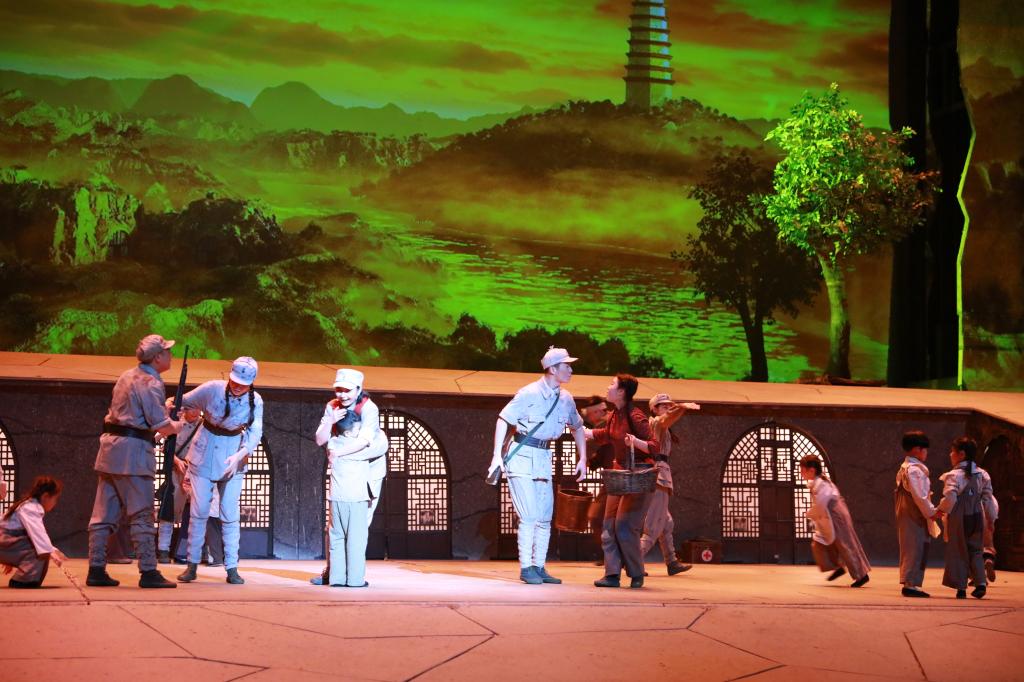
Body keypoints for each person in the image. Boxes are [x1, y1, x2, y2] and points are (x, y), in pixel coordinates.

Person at [86, 334, 183, 589]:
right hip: (134, 454)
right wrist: (178, 425)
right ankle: (148, 570)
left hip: (110, 451)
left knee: (103, 514)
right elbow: (161, 425)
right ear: (157, 357)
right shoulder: (151, 382)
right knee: (142, 514)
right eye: (167, 351)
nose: (170, 355)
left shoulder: (126, 376)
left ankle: (96, 568)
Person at [489, 347, 587, 585]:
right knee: (529, 515)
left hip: (543, 457)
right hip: (522, 455)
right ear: (553, 369)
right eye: (566, 366)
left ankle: (539, 566)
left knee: (544, 516)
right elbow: (504, 419)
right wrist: (495, 456)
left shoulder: (566, 398)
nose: (571, 370)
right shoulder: (528, 393)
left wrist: (583, 458)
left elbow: (577, 427)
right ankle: (526, 567)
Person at [176, 357, 263, 585]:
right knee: (199, 512)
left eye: (243, 384)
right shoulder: (212, 388)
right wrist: (172, 405)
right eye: (235, 381)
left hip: (234, 454)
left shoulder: (256, 401)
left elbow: (255, 432)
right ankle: (192, 565)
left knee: (229, 513)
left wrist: (241, 454)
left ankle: (232, 567)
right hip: (205, 451)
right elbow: (183, 401)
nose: (237, 386)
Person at [313, 369, 389, 587]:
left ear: (358, 389)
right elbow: (319, 439)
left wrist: (338, 452)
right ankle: (334, 572)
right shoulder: (332, 406)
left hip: (369, 465)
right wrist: (330, 421)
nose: (342, 394)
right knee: (335, 525)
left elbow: (364, 441)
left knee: (359, 524)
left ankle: (354, 575)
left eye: (347, 390)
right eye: (339, 389)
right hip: (345, 466)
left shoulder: (369, 408)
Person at [587, 374, 659, 589]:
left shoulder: (635, 416)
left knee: (624, 525)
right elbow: (607, 435)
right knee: (608, 525)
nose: (608, 387)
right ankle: (612, 574)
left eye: (612, 384)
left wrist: (635, 441)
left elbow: (654, 446)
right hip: (619, 476)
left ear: (621, 392)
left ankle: (636, 572)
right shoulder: (614, 416)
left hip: (638, 475)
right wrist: (585, 432)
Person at [640, 393, 699, 576]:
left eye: (668, 405)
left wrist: (680, 409)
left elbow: (668, 419)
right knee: (653, 526)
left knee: (666, 523)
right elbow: (666, 419)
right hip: (659, 477)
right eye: (663, 405)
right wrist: (681, 407)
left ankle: (671, 561)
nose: (667, 407)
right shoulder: (656, 423)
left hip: (659, 475)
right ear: (654, 409)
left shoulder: (661, 426)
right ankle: (632, 559)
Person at [938, 437, 998, 599]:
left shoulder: (954, 475)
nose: (950, 455)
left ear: (961, 454)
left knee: (959, 550)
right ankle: (981, 583)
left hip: (960, 517)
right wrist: (991, 519)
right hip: (977, 516)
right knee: (976, 551)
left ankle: (961, 587)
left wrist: (940, 510)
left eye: (952, 452)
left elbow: (950, 497)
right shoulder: (982, 474)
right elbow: (988, 499)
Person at [799, 454, 871, 588]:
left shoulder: (822, 484)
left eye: (803, 470)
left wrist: (810, 514)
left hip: (836, 515)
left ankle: (861, 575)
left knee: (846, 544)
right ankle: (837, 566)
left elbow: (821, 504)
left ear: (812, 470)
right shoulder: (817, 483)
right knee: (819, 544)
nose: (801, 473)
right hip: (828, 515)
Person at [894, 430, 941, 598]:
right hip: (915, 514)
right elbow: (920, 497)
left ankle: (911, 582)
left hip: (907, 512)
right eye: (924, 449)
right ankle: (911, 584)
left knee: (911, 546)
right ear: (916, 449)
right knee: (916, 547)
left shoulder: (905, 468)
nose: (926, 452)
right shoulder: (914, 470)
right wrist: (931, 512)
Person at [0, 476, 67, 588]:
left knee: (42, 549)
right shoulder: (32, 507)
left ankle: (24, 578)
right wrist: (50, 551)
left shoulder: (29, 504)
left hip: (5, 541)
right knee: (39, 552)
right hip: (5, 541)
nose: (55, 503)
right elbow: (37, 533)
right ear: (45, 496)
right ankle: (24, 580)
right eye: (55, 499)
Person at [580, 395, 613, 564]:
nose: (589, 420)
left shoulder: (611, 424)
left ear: (598, 412)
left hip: (619, 479)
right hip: (610, 479)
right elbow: (602, 454)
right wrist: (589, 462)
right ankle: (610, 555)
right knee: (598, 518)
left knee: (601, 518)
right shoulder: (607, 427)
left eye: (590, 415)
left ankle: (616, 557)